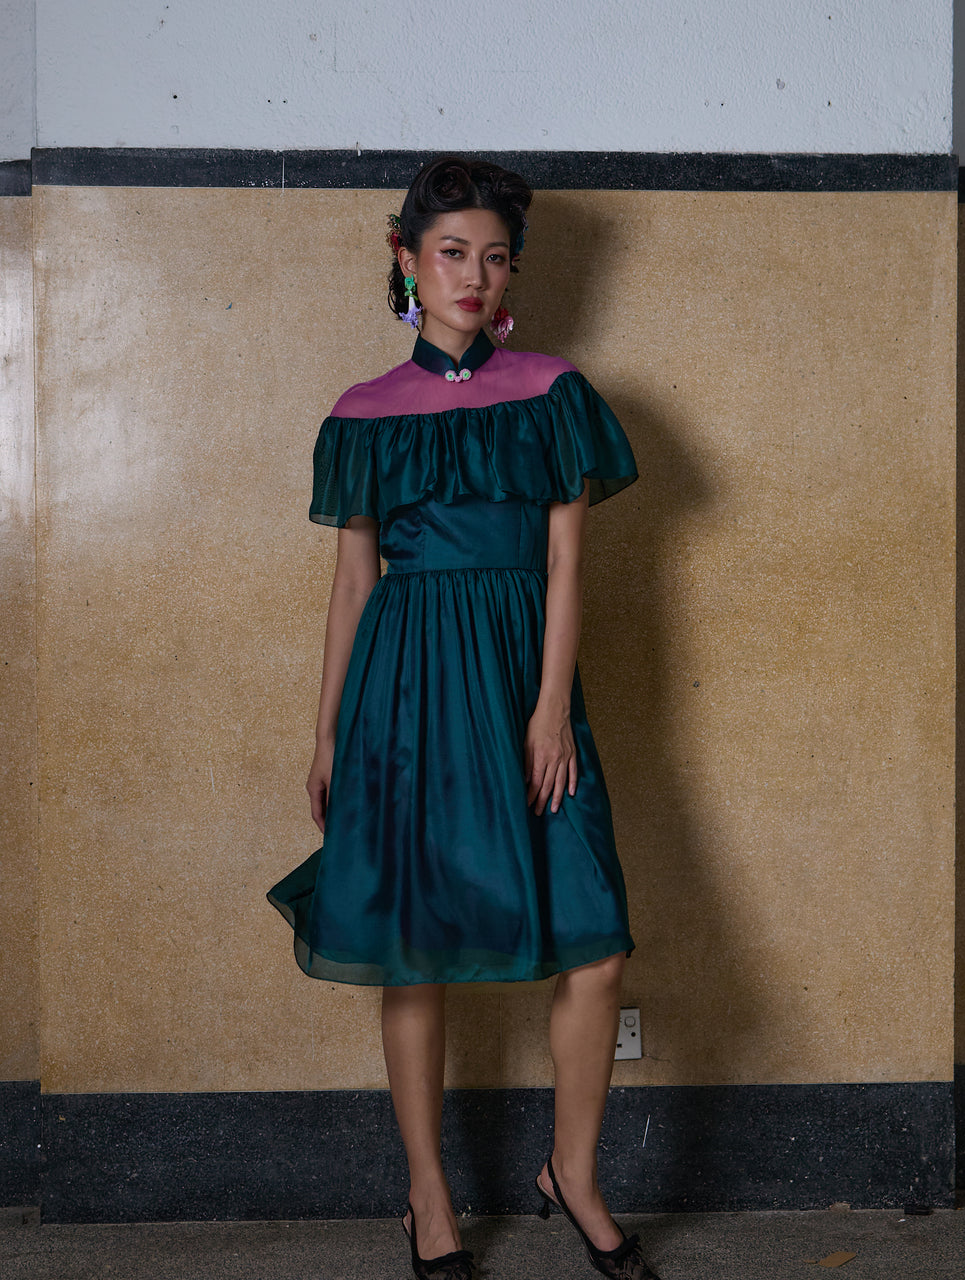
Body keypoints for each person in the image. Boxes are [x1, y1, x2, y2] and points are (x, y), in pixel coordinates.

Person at [268, 156, 658, 1280]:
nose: (474, 275)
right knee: (412, 949)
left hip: (524, 685)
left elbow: (566, 565)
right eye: (451, 253)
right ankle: (427, 1197)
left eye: (494, 256)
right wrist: (328, 733)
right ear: (407, 260)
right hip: (401, 698)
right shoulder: (360, 414)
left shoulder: (552, 393)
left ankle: (571, 1173)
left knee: (598, 948)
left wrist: (550, 711)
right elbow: (352, 585)